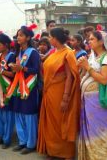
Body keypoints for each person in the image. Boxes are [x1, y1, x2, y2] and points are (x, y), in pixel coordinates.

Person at [37, 27, 80, 159]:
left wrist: (66, 98)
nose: (49, 40)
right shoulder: (54, 53)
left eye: (50, 37)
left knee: (62, 122)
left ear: (56, 39)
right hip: (49, 92)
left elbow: (70, 77)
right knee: (51, 123)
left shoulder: (68, 53)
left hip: (61, 94)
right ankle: (53, 151)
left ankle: (66, 153)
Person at [77, 29, 107, 160]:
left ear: (101, 41)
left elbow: (104, 79)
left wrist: (87, 67)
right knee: (89, 131)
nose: (89, 41)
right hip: (89, 103)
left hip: (100, 103)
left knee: (100, 134)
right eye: (88, 39)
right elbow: (86, 75)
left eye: (92, 39)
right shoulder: (93, 56)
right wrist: (82, 67)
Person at [7, 25, 40, 155]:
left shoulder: (33, 52)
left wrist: (22, 69)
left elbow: (36, 70)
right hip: (18, 86)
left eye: (21, 35)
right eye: (18, 35)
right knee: (19, 113)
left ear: (28, 37)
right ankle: (22, 141)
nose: (18, 38)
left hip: (29, 87)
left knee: (29, 115)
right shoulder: (18, 52)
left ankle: (31, 143)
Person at [0, 33, 15, 149]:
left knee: (7, 115)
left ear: (6, 45)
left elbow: (12, 74)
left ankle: (7, 139)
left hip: (7, 88)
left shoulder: (11, 56)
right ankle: (0, 135)